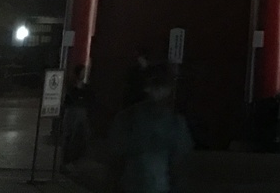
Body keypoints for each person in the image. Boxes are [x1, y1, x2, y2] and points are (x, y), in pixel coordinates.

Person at [108, 64, 193, 193]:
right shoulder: (175, 122)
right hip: (158, 186)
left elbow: (115, 159)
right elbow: (179, 165)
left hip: (132, 185)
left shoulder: (127, 117)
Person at [63, 64, 93, 165]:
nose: (84, 74)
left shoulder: (84, 86)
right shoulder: (72, 86)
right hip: (73, 112)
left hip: (79, 112)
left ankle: (75, 158)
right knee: (70, 135)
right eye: (83, 72)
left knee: (80, 136)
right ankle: (67, 160)